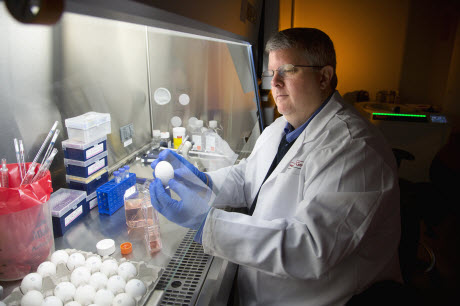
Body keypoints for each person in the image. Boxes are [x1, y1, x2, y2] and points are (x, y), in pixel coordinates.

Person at [150, 28, 402, 306]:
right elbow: (248, 177)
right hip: (262, 288)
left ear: (324, 77)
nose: (275, 83)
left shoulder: (355, 149)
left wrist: (206, 223)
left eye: (288, 70)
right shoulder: (283, 126)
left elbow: (310, 247)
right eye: (272, 73)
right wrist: (204, 182)